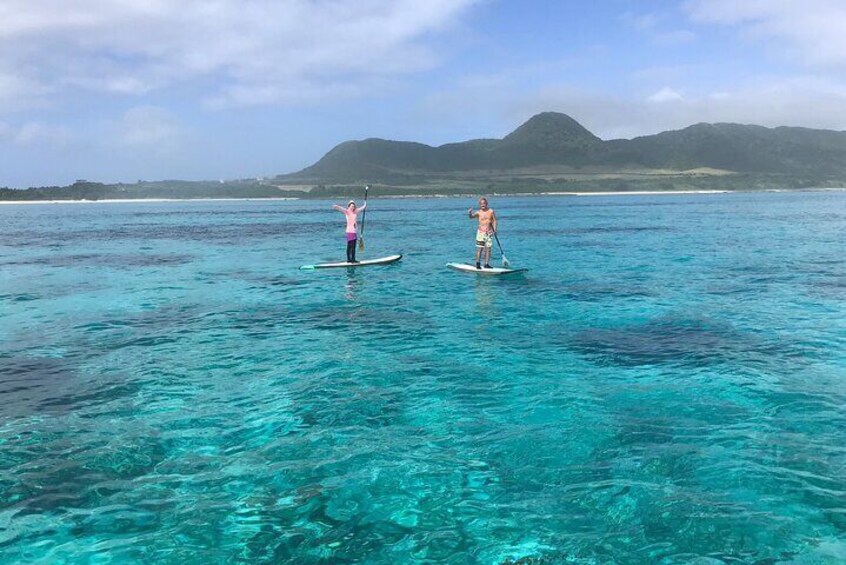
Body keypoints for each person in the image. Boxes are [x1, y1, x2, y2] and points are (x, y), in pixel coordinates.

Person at [467, 197, 497, 269]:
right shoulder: (478, 212)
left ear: (486, 204)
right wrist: (469, 213)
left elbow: (495, 221)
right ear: (479, 205)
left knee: (488, 249)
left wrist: (495, 230)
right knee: (480, 249)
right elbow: (471, 217)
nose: (483, 205)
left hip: (489, 233)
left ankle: (486, 264)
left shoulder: (491, 211)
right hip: (481, 233)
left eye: (484, 203)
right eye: (481, 204)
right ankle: (478, 263)